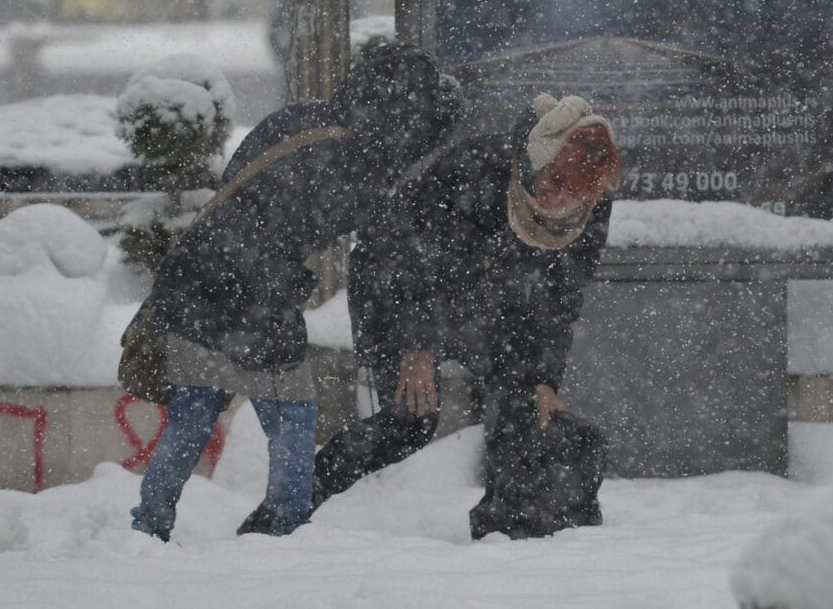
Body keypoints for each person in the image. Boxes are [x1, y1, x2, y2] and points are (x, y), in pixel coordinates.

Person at [129, 42, 459, 542]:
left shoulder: (302, 119)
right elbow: (393, 255)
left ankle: (144, 531)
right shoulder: (363, 165)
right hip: (252, 293)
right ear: (408, 116)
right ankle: (286, 533)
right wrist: (416, 342)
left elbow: (241, 195)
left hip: (192, 273)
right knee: (293, 421)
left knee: (192, 418)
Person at [312, 93, 620, 539]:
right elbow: (419, 262)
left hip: (497, 303)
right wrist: (418, 347)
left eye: (574, 192)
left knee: (523, 403)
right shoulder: (479, 167)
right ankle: (293, 503)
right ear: (541, 157)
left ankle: (504, 529)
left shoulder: (591, 208)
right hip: (400, 288)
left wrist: (545, 379)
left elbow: (559, 300)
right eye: (554, 179)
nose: (559, 197)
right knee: (408, 420)